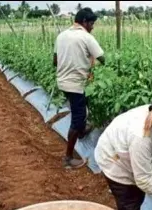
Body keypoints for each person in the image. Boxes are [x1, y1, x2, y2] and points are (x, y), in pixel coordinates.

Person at [53, 7, 105, 169]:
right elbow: (103, 59)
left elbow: (55, 61)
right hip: (76, 85)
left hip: (63, 82)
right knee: (77, 118)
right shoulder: (86, 37)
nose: (92, 27)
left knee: (82, 107)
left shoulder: (61, 35)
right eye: (91, 23)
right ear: (84, 22)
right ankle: (68, 158)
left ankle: (82, 131)